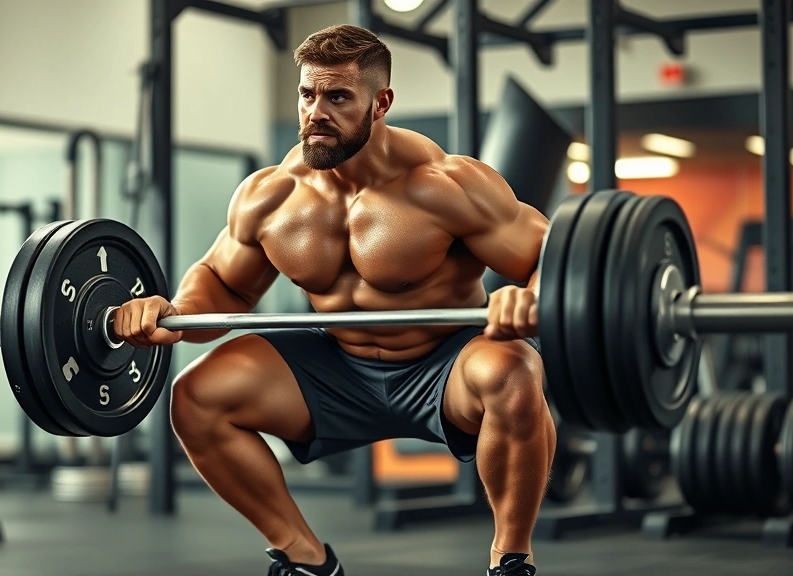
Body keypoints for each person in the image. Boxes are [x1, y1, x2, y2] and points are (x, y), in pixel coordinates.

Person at [113, 24, 555, 576]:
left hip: (444, 366)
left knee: (514, 371)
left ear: (381, 103)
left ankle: (510, 559)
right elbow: (222, 287)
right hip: (335, 368)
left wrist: (529, 296)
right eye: (307, 94)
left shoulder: (446, 185)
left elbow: (551, 259)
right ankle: (305, 558)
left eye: (338, 96)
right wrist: (172, 313)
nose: (316, 112)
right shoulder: (270, 195)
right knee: (196, 395)